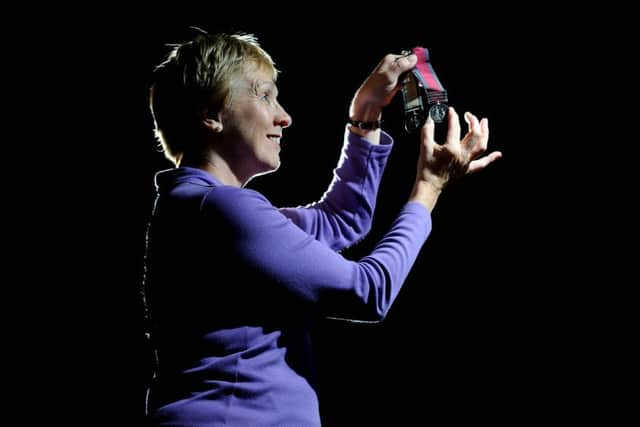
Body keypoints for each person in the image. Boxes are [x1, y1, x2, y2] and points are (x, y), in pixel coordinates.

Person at [142, 29, 501, 426]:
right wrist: (429, 188)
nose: (284, 116)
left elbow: (341, 220)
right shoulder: (221, 209)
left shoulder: (202, 208)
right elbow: (368, 291)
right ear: (210, 114)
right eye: (264, 95)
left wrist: (365, 116)